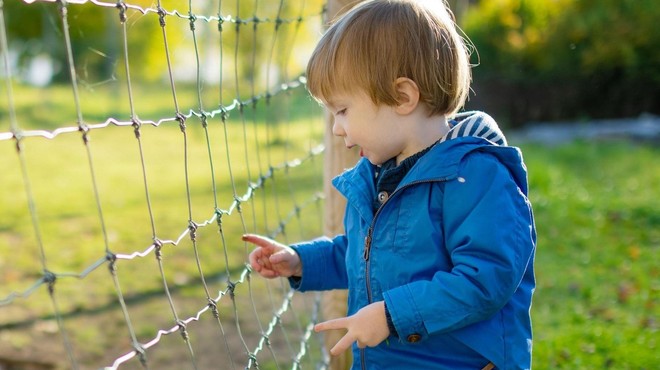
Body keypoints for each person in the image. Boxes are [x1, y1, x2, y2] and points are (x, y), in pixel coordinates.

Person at [242, 0, 536, 369]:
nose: (336, 128)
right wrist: (302, 261)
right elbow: (364, 255)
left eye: (343, 110)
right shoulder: (378, 176)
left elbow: (487, 278)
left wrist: (390, 316)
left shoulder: (475, 176)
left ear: (402, 97)